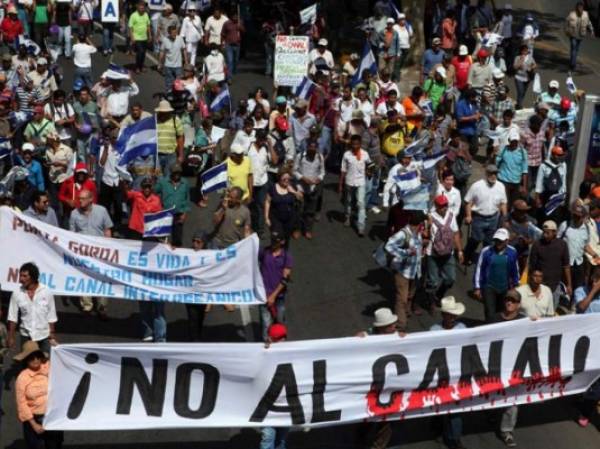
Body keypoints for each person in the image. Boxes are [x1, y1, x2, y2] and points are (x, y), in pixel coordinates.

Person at [355, 307, 404, 449]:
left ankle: (377, 446)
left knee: (387, 418)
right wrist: (357, 340)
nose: (395, 326)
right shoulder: (368, 337)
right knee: (369, 412)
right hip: (373, 385)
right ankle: (361, 434)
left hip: (391, 385)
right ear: (382, 328)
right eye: (391, 325)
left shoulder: (396, 336)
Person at [490, 289, 527, 448]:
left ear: (518, 305)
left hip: (514, 368)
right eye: (507, 299)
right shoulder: (493, 319)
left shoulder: (524, 321)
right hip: (495, 366)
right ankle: (491, 414)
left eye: (513, 300)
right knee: (490, 395)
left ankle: (506, 431)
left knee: (512, 401)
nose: (509, 302)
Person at [430, 296, 466, 449]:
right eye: (448, 314)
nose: (451, 318)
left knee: (456, 407)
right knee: (439, 403)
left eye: (453, 315)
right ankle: (437, 428)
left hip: (457, 374)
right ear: (443, 315)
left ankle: (454, 438)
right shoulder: (434, 330)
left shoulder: (462, 328)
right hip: (439, 373)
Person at [69, 190, 113, 318]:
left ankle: (102, 307)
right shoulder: (74, 214)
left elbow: (107, 230)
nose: (80, 201)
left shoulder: (102, 211)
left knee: (101, 278)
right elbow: (71, 234)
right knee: (84, 278)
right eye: (79, 198)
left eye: (83, 198)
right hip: (82, 253)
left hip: (100, 252)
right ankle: (87, 306)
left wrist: (109, 249)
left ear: (90, 199)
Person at [14, 340, 63, 449]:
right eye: (31, 357)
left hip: (52, 415)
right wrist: (34, 424)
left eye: (37, 356)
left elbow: (64, 360)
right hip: (34, 419)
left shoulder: (47, 367)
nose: (35, 360)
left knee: (55, 445)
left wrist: (57, 346)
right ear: (26, 360)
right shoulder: (22, 378)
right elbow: (21, 404)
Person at [385, 210, 424, 330]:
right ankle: (401, 325)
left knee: (409, 295)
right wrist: (405, 252)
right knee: (401, 299)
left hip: (414, 271)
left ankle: (406, 312)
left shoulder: (417, 232)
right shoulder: (403, 233)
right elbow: (388, 246)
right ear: (418, 223)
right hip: (403, 272)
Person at [7, 262, 58, 355]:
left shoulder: (46, 291)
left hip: (44, 336)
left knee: (45, 365)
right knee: (27, 363)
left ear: (33, 277)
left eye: (24, 276)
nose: (21, 279)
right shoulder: (17, 293)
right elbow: (12, 317)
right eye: (20, 276)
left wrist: (52, 335)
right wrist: (11, 337)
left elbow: (51, 315)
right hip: (26, 336)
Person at [463, 164, 508, 264]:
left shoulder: (501, 186)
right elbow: (468, 202)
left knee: (489, 241)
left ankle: (486, 259)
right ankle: (467, 256)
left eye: (495, 174)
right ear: (486, 173)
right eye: (491, 173)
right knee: (475, 239)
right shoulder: (477, 186)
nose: (493, 176)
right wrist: (468, 216)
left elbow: (503, 203)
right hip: (479, 218)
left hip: (493, 218)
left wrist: (505, 217)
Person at [473, 228, 520, 322]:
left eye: (501, 241)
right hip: (489, 286)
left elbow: (515, 269)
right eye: (496, 240)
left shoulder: (512, 252)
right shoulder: (486, 251)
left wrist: (515, 284)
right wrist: (477, 287)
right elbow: (479, 268)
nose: (498, 243)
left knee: (502, 312)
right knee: (490, 312)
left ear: (507, 241)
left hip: (505, 287)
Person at [426, 195, 464, 308]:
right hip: (433, 253)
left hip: (448, 252)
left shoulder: (451, 216)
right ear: (436, 206)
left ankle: (439, 294)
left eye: (445, 205)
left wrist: (460, 250)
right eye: (441, 206)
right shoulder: (430, 217)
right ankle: (431, 300)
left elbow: (456, 233)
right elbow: (425, 235)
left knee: (450, 279)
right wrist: (428, 225)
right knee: (433, 281)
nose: (444, 208)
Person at [259, 323, 290, 448]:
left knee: (281, 439)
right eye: (278, 338)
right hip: (267, 406)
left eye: (283, 337)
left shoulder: (295, 352)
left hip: (286, 404)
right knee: (268, 437)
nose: (282, 340)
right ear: (270, 339)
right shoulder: (260, 353)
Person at [529, 220, 572, 308]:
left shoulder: (562, 245)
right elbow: (532, 266)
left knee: (552, 308)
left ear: (554, 232)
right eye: (544, 232)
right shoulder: (537, 245)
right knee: (540, 308)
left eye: (548, 233)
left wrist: (569, 284)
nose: (545, 235)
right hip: (540, 284)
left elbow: (566, 266)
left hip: (555, 284)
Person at [259, 231, 293, 341]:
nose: (273, 243)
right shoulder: (265, 252)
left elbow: (285, 280)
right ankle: (266, 346)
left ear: (282, 242)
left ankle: (281, 343)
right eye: (272, 240)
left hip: (278, 297)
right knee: (266, 323)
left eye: (276, 241)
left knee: (280, 321)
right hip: (263, 295)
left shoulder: (286, 257)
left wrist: (273, 296)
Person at [339, 134, 371, 237]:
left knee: (361, 203)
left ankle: (361, 227)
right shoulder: (346, 155)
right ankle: (347, 217)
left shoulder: (365, 154)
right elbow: (343, 170)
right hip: (349, 181)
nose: (355, 146)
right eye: (353, 144)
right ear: (351, 144)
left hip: (361, 182)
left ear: (360, 144)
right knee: (348, 200)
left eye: (357, 144)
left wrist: (369, 172)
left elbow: (371, 165)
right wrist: (340, 184)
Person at [558, 203, 594, 292]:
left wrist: (594, 254)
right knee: (565, 288)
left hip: (579, 263)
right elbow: (557, 242)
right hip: (565, 264)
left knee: (578, 288)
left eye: (578, 216)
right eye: (574, 215)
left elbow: (585, 245)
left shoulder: (586, 228)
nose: (576, 218)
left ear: (583, 217)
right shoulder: (565, 225)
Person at [294, 140, 325, 239]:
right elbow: (294, 171)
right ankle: (297, 229)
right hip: (301, 188)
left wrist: (318, 179)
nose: (312, 149)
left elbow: (322, 172)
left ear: (317, 148)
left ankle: (308, 230)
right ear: (307, 147)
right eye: (310, 147)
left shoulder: (320, 157)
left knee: (311, 211)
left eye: (314, 147)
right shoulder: (300, 156)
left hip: (313, 188)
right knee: (299, 210)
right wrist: (303, 178)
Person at [154, 163, 190, 247]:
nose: (177, 175)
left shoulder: (185, 183)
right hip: (165, 213)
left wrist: (185, 213)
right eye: (175, 172)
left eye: (179, 173)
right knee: (161, 238)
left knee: (177, 239)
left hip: (179, 214)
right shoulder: (163, 182)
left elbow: (187, 199)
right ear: (171, 172)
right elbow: (154, 192)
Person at [265, 169, 302, 241]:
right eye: (284, 178)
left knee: (286, 237)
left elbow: (301, 198)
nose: (286, 180)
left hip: (289, 218)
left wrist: (293, 192)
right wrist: (266, 218)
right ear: (279, 178)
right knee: (277, 238)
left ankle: (284, 251)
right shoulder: (272, 188)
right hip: (276, 218)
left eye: (288, 179)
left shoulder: (292, 186)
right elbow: (267, 202)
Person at [495, 128, 528, 206]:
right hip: (503, 180)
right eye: (512, 141)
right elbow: (497, 162)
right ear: (509, 140)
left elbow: (524, 170)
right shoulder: (504, 149)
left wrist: (524, 186)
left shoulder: (523, 152)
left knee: (514, 203)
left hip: (516, 182)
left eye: (516, 141)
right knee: (503, 202)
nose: (514, 143)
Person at [186, 230, 209, 341]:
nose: (195, 244)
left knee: (200, 318)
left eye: (198, 242)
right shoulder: (187, 254)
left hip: (202, 293)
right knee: (193, 319)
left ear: (204, 243)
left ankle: (197, 338)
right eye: (194, 241)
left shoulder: (210, 256)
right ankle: (194, 342)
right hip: (190, 293)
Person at [155, 100, 184, 176]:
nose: (164, 114)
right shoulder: (154, 120)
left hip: (171, 155)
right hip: (156, 155)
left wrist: (180, 155)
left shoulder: (175, 120)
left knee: (169, 177)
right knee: (158, 178)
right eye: (162, 112)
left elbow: (180, 137)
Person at [565, 1, 594, 71]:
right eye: (579, 7)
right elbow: (566, 22)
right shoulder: (572, 14)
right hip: (573, 35)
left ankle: (572, 62)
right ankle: (573, 64)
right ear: (576, 8)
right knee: (573, 47)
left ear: (583, 8)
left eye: (581, 7)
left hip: (580, 35)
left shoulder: (585, 15)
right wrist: (566, 31)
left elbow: (589, 23)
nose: (580, 9)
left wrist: (592, 30)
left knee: (576, 49)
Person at [159, 25, 186, 92]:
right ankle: (169, 96)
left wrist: (186, 61)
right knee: (169, 83)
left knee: (178, 83)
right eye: (173, 33)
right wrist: (160, 63)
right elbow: (162, 52)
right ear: (169, 33)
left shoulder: (180, 38)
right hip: (168, 65)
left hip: (178, 65)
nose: (175, 34)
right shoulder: (165, 40)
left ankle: (178, 96)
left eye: (175, 32)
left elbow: (184, 50)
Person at [128, 1, 152, 74]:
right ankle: (137, 67)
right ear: (137, 7)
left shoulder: (146, 15)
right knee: (140, 52)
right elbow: (130, 27)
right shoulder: (133, 15)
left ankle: (141, 66)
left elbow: (148, 26)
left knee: (143, 53)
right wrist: (132, 37)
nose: (142, 8)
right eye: (140, 6)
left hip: (144, 37)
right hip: (137, 37)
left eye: (143, 7)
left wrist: (150, 35)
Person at [221, 11, 244, 80]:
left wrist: (240, 27)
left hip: (237, 44)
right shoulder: (226, 23)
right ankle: (229, 77)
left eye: (236, 16)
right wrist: (222, 43)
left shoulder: (240, 22)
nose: (235, 17)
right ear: (231, 16)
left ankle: (233, 71)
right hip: (229, 45)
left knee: (236, 60)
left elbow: (244, 31)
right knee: (229, 61)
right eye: (234, 16)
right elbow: (222, 34)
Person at [513, 44, 536, 110]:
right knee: (520, 91)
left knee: (523, 92)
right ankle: (520, 106)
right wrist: (521, 61)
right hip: (518, 77)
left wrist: (531, 67)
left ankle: (518, 104)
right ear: (521, 51)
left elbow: (535, 64)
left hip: (527, 78)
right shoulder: (517, 57)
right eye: (523, 51)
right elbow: (515, 67)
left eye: (526, 51)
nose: (525, 52)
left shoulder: (530, 58)